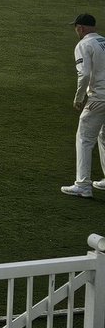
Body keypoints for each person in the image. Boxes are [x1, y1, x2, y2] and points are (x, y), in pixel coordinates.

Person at [61, 14, 105, 197]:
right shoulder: (103, 41)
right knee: (104, 136)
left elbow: (84, 74)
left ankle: (83, 185)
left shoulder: (83, 45)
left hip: (98, 98)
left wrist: (79, 98)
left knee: (84, 139)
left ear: (81, 28)